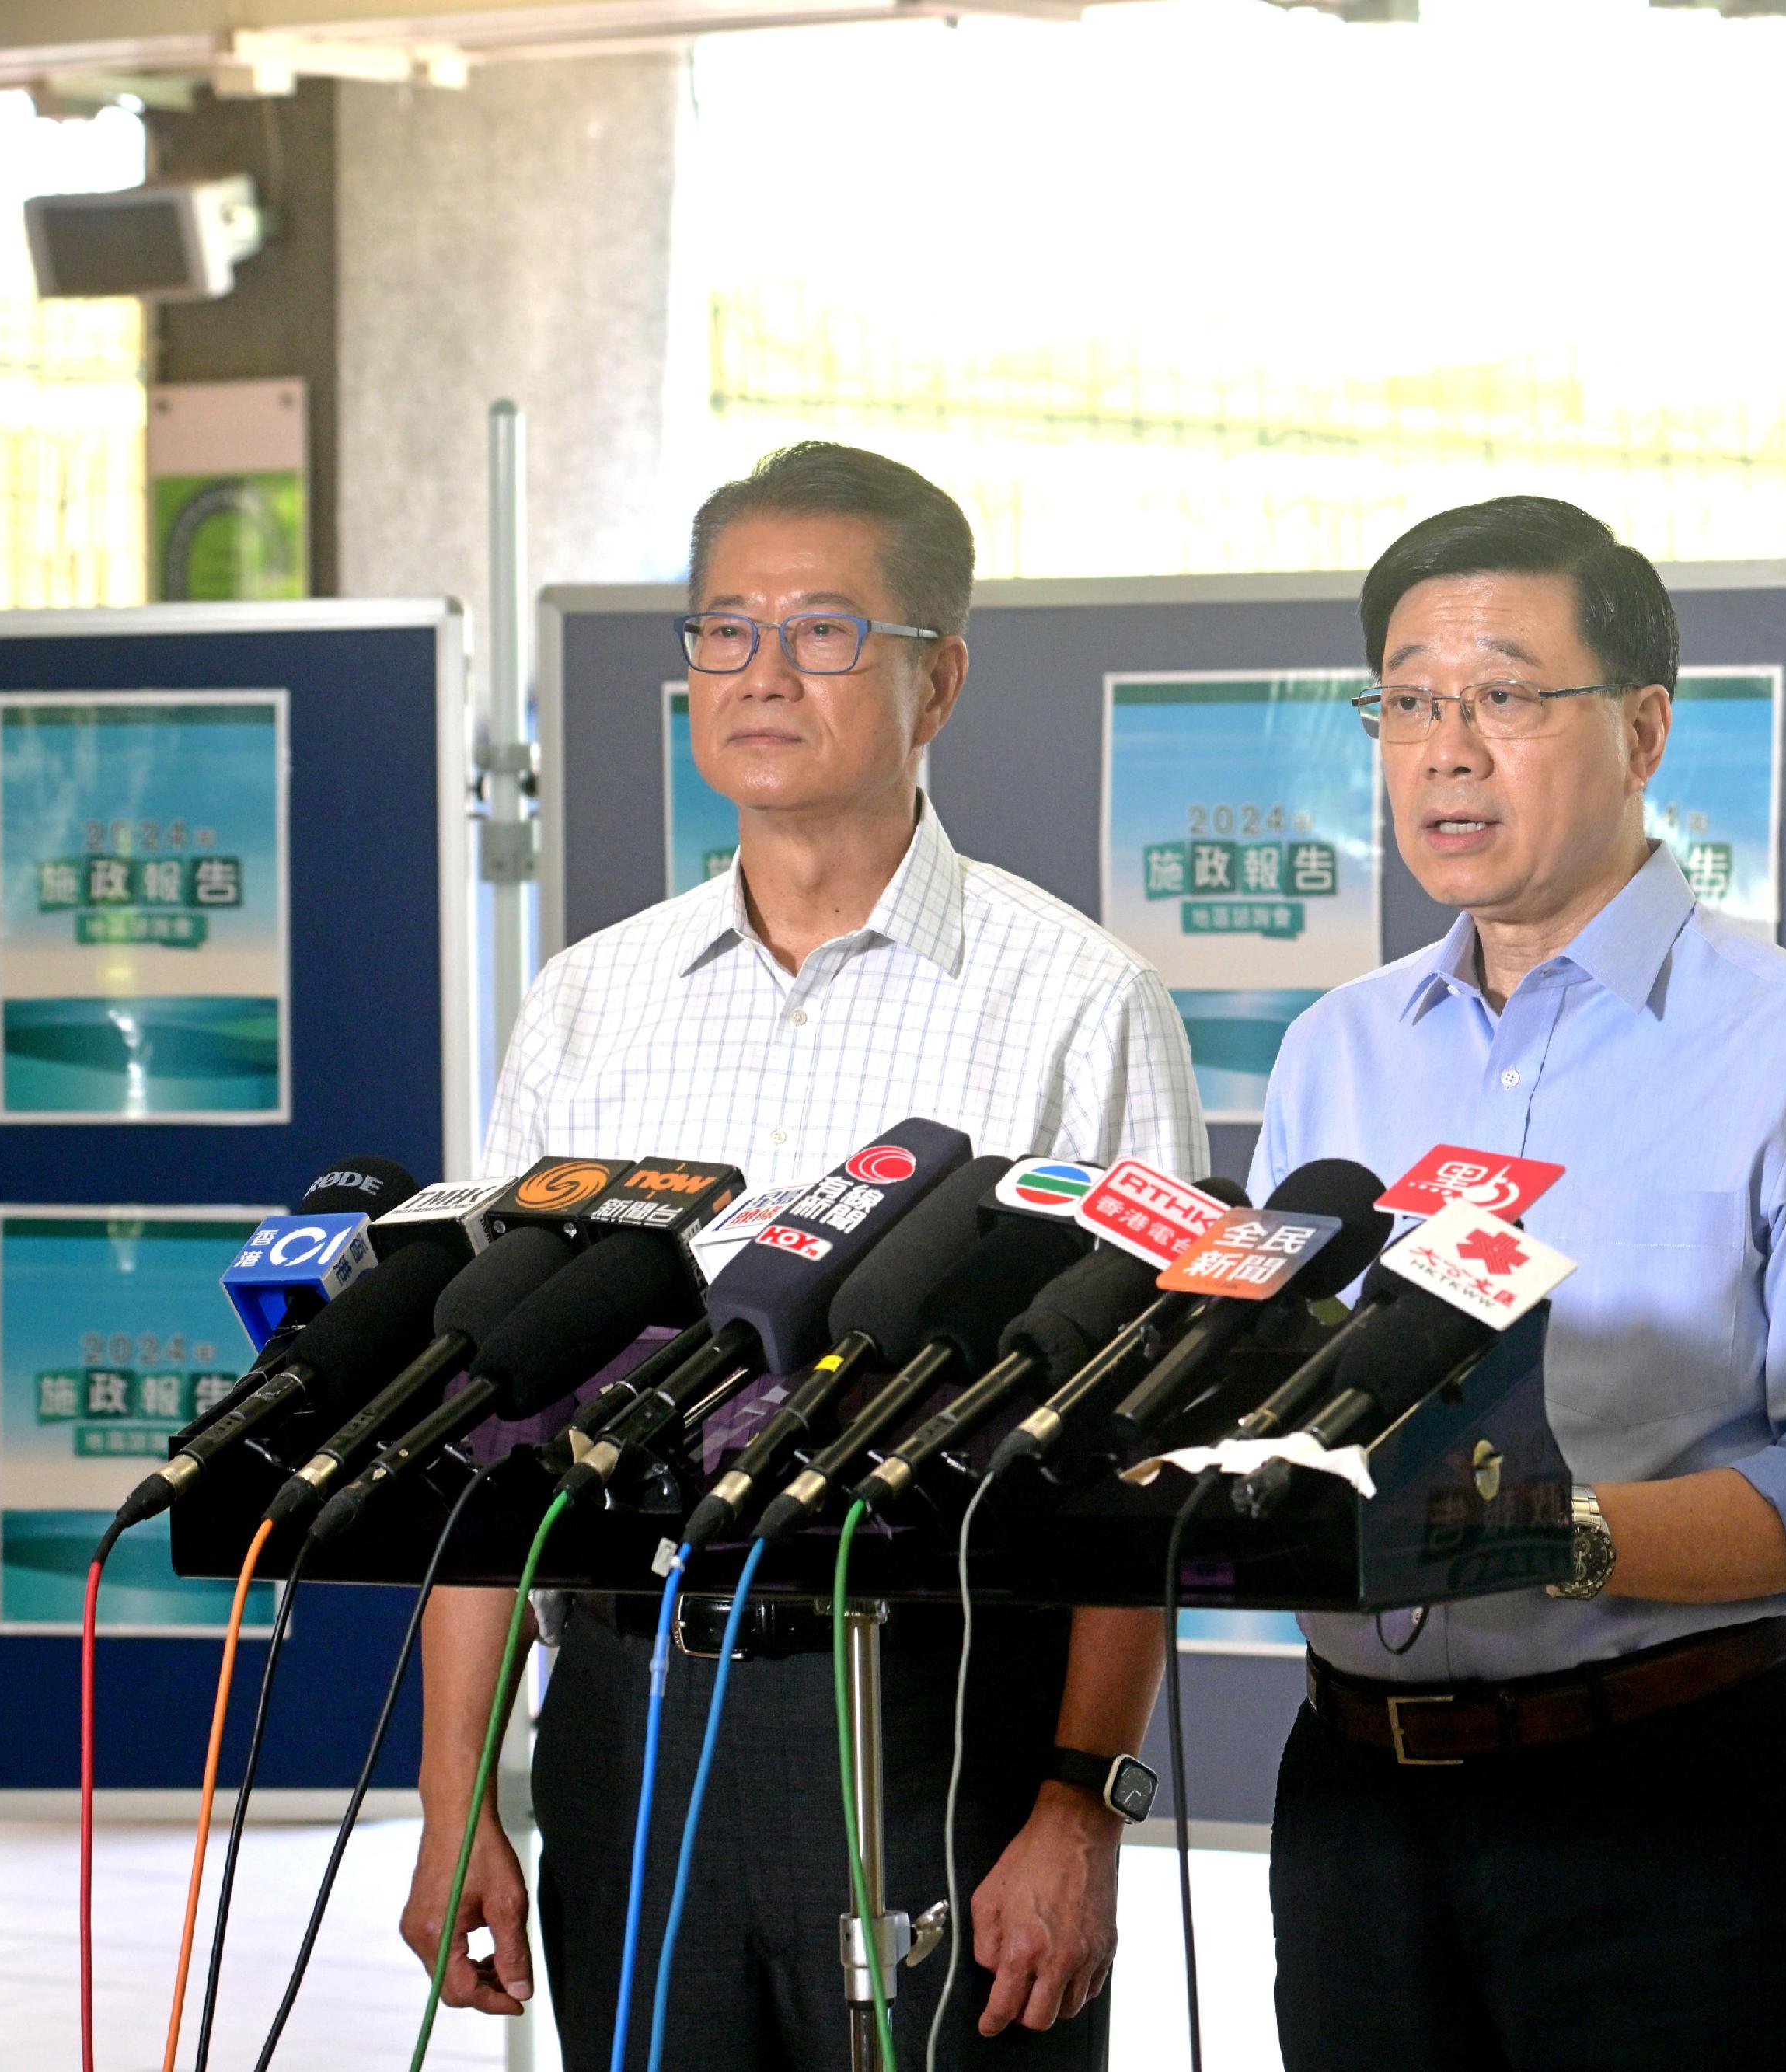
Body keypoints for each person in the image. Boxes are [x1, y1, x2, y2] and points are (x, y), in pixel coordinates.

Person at [401, 442, 1208, 2068]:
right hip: (630, 1708)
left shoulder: (1072, 1001)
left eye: (826, 630)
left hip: (940, 1711)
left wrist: (1078, 1803)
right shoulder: (588, 1001)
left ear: (940, 679)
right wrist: (454, 1796)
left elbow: (1144, 1451)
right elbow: (494, 1424)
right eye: (724, 628)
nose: (762, 673)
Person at [1248, 494, 1786, 2070]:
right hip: (1359, 1810)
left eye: (1500, 696)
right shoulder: (1331, 1053)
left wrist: (1530, 1536)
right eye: (1408, 699)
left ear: (1642, 728)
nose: (1444, 747)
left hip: (1669, 1801)